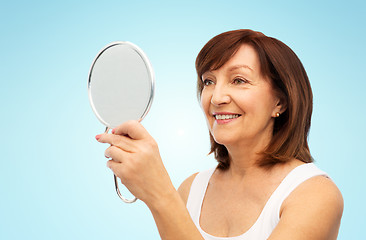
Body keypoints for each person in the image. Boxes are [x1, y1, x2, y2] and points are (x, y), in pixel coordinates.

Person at [95, 29, 343, 240]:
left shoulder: (315, 194)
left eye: (238, 80)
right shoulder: (192, 189)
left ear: (280, 102)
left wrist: (160, 195)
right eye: (208, 81)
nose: (216, 97)